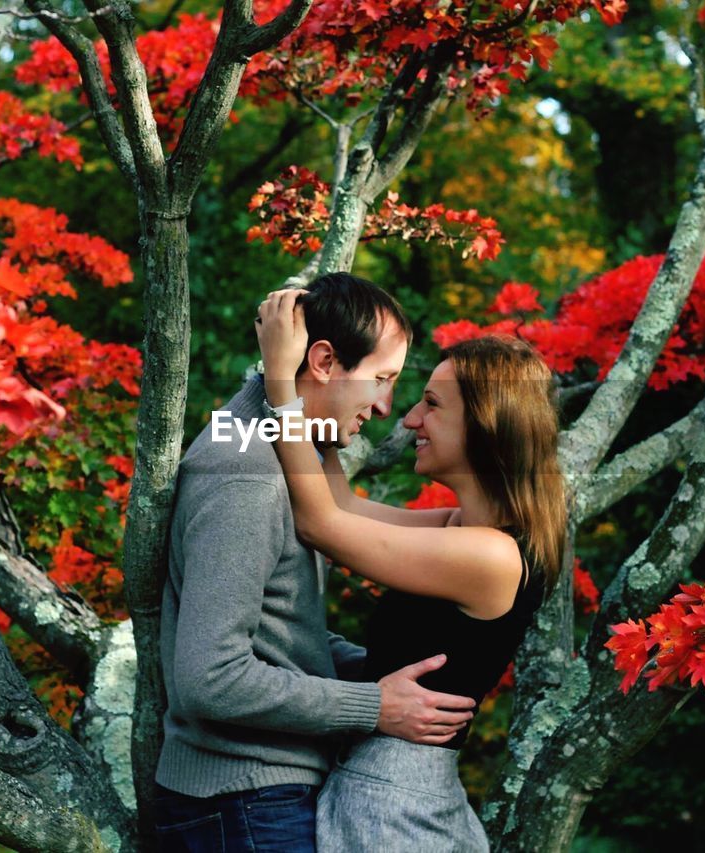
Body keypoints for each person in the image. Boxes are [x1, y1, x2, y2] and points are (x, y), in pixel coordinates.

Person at [156, 273, 479, 852]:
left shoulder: (273, 447)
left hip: (260, 798)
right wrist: (374, 705)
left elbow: (277, 629)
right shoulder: (246, 471)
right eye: (381, 379)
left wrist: (390, 672)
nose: (385, 407)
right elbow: (210, 679)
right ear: (324, 361)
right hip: (243, 804)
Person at [256, 288, 567, 852]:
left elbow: (321, 524)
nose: (409, 417)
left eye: (432, 404)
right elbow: (344, 508)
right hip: (391, 790)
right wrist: (319, 396)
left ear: (486, 422)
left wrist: (281, 385)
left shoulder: (491, 557)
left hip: (392, 806)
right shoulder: (461, 530)